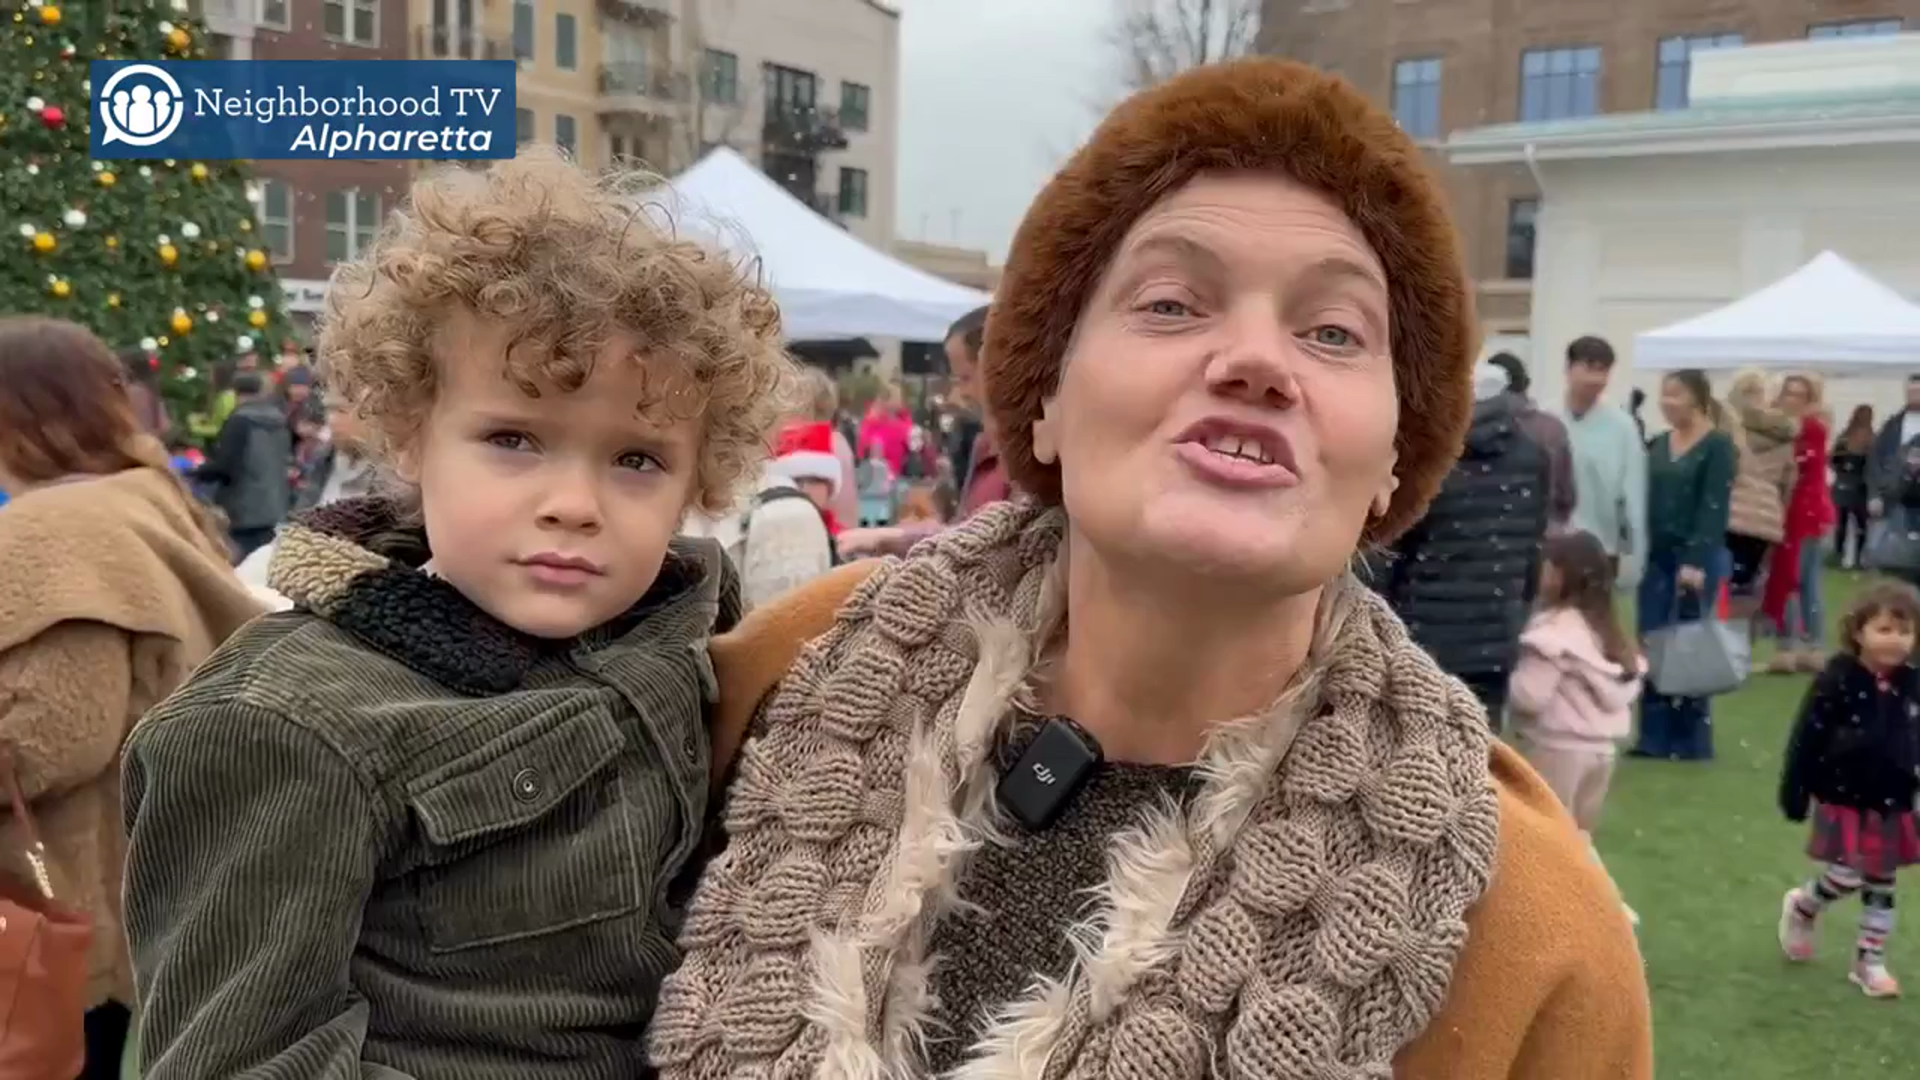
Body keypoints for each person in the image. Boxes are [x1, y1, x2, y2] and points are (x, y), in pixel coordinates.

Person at [655, 59, 1650, 1079]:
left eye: (1333, 331)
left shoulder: (1532, 936)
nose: (1257, 360)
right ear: (1044, 396)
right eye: (1172, 304)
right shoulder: (782, 678)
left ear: (1395, 457)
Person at [119, 148, 794, 1079]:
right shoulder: (286, 725)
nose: (574, 504)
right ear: (409, 432)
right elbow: (242, 1060)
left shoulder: (694, 638)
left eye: (637, 460)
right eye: (513, 439)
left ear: (698, 479)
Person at [0, 317, 264, 1079]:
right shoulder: (144, 501)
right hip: (123, 892)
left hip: (52, 900)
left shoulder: (59, 529)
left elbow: (49, 737)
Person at [1365, 362, 1551, 724]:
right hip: (1496, 628)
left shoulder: (1429, 453)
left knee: (1417, 739)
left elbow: (1390, 549)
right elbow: (1532, 546)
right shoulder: (1531, 455)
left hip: (1425, 629)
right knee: (1482, 739)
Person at [1777, 580, 1920, 999]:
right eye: (1885, 629)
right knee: (1850, 872)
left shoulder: (1912, 683)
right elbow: (1806, 736)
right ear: (1859, 631)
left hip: (1893, 798)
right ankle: (1804, 905)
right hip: (1844, 795)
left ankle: (1869, 961)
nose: (1896, 640)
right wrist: (1796, 788)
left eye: (1905, 631)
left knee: (1883, 880)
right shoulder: (1837, 679)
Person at [1509, 530, 1644, 849]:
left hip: (1556, 747)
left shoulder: (1553, 633)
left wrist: (1510, 679)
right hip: (1601, 752)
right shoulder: (1608, 635)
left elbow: (1530, 697)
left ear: (1560, 575)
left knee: (1546, 838)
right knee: (1580, 839)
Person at [1632, 369, 1738, 761]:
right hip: (1655, 557)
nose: (1667, 402)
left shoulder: (1717, 446)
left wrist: (1696, 560)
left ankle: (1690, 738)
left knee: (1690, 645)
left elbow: (1713, 507)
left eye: (1675, 394)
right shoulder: (1659, 444)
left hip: (1694, 558)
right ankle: (1653, 736)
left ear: (1696, 397)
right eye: (1664, 394)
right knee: (1653, 641)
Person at [1557, 335, 1648, 586]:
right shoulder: (1548, 418)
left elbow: (1634, 494)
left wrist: (1634, 556)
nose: (1596, 379)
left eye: (1603, 370)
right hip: (1553, 547)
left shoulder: (1622, 426)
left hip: (1602, 547)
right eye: (1589, 368)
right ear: (1569, 369)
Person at [1762, 374, 1835, 672]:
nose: (1792, 400)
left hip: (1807, 514)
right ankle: (1789, 645)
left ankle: (1811, 645)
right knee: (1784, 580)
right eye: (1788, 393)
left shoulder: (1813, 429)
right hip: (1782, 512)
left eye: (1799, 394)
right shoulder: (1778, 428)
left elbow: (1807, 470)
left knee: (1805, 581)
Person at [196, 369, 292, 561]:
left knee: (242, 567)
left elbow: (225, 466)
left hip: (244, 511)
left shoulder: (239, 421)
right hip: (276, 507)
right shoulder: (280, 421)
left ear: (235, 393)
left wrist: (195, 472)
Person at [1722, 369, 1796, 605]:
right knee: (1746, 586)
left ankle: (1719, 620)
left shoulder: (1724, 428)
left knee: (1718, 586)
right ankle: (1741, 622)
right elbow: (1789, 483)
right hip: (1766, 515)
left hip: (1729, 511)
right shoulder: (1783, 431)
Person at [1485, 350, 1576, 529]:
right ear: (1525, 384)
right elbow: (1566, 497)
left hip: (1488, 533)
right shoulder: (1552, 428)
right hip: (1542, 532)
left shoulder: (1474, 428)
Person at [1866, 372, 1920, 520]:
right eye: (1911, 392)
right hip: (1894, 499)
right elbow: (1875, 460)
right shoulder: (1892, 425)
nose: (1914, 396)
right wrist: (1874, 495)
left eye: (1918, 391)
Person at [1831, 404, 1875, 568]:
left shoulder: (1844, 437)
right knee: (1861, 524)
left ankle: (1839, 554)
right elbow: (1875, 466)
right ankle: (1858, 557)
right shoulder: (1873, 439)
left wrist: (1842, 470)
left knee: (1841, 523)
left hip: (1844, 484)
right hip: (1861, 486)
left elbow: (1833, 460)